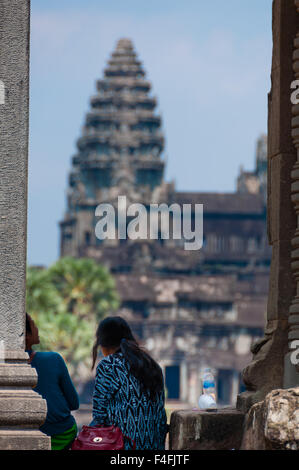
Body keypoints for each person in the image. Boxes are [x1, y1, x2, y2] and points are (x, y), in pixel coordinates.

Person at [90, 316, 168, 450]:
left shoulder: (109, 365)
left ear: (103, 343)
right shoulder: (152, 365)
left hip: (122, 446)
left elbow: (99, 417)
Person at [25, 313, 80, 450]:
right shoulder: (53, 359)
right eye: (33, 324)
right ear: (24, 334)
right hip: (61, 434)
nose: (36, 328)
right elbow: (74, 403)